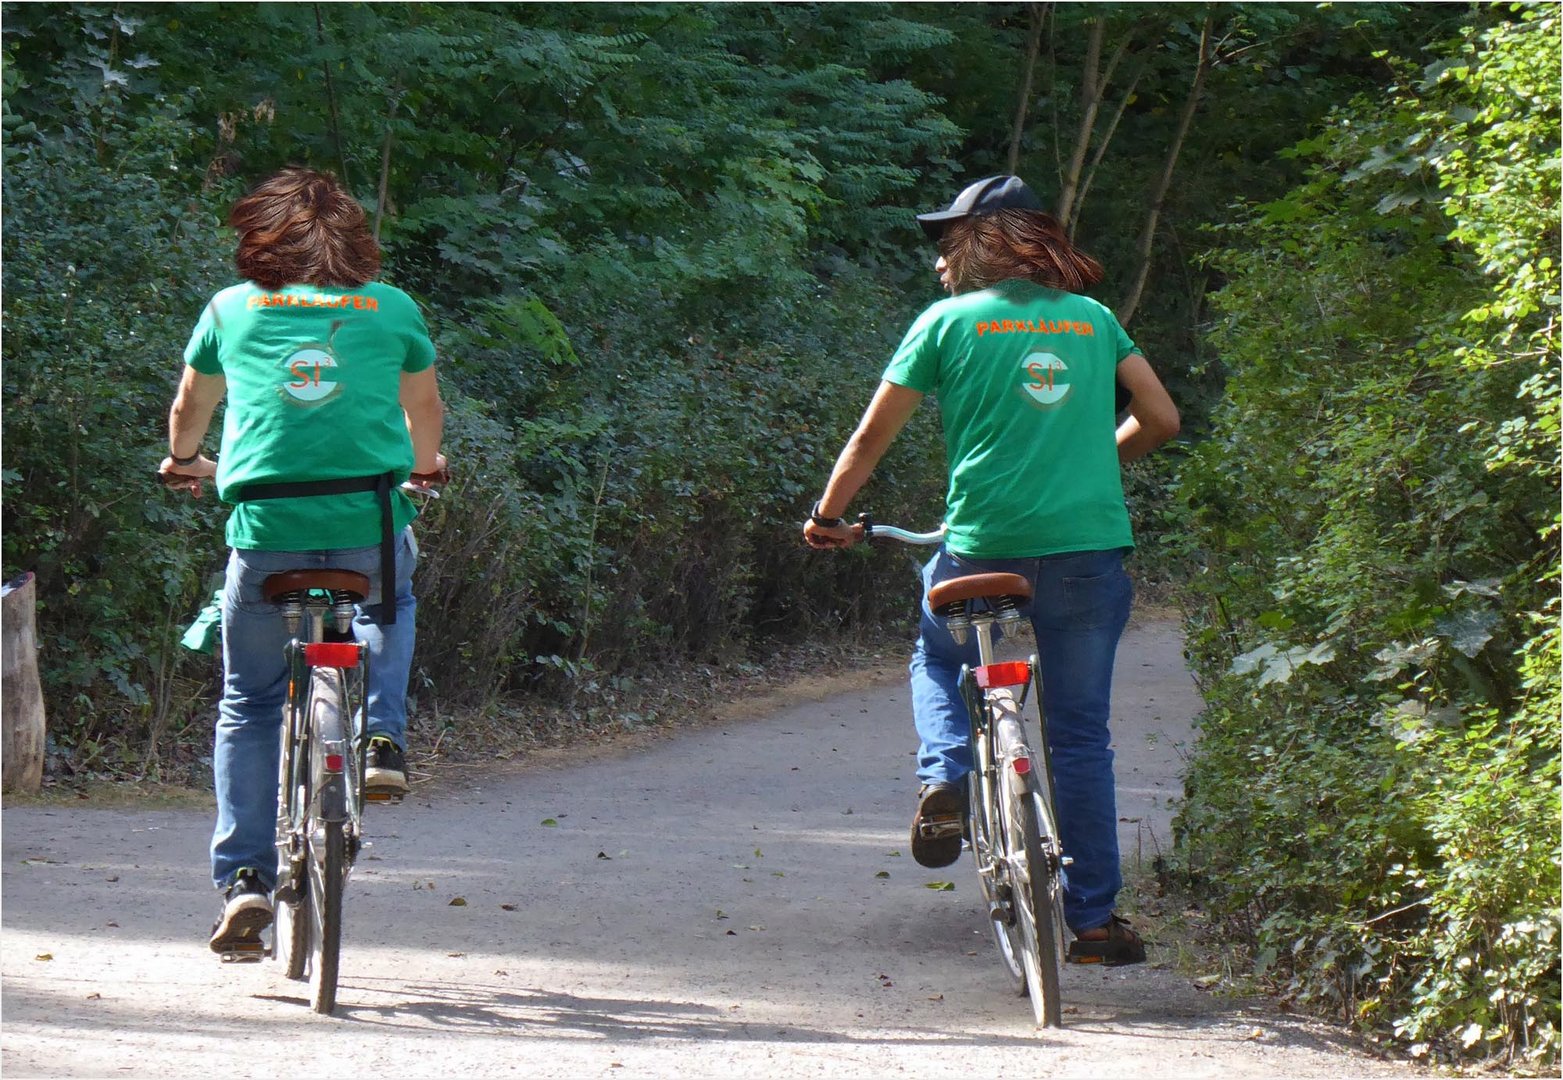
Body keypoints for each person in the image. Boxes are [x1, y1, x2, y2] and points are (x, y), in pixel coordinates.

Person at [803, 175, 1178, 966]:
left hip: (982, 547)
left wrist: (827, 518)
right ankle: (1095, 925)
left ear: (986, 241)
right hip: (1086, 551)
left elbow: (871, 439)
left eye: (949, 244)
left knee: (937, 654)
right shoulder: (1093, 320)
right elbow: (1161, 419)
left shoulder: (945, 323)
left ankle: (944, 776)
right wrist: (1096, 465)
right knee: (1079, 737)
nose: (940, 262)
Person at [158, 167, 447, 955]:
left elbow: (190, 408)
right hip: (367, 518)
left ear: (261, 237)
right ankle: (383, 735)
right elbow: (424, 409)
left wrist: (184, 460)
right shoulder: (391, 308)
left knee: (248, 704)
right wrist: (424, 466)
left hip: (265, 530)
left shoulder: (230, 308)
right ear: (352, 240)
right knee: (393, 599)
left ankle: (245, 880)